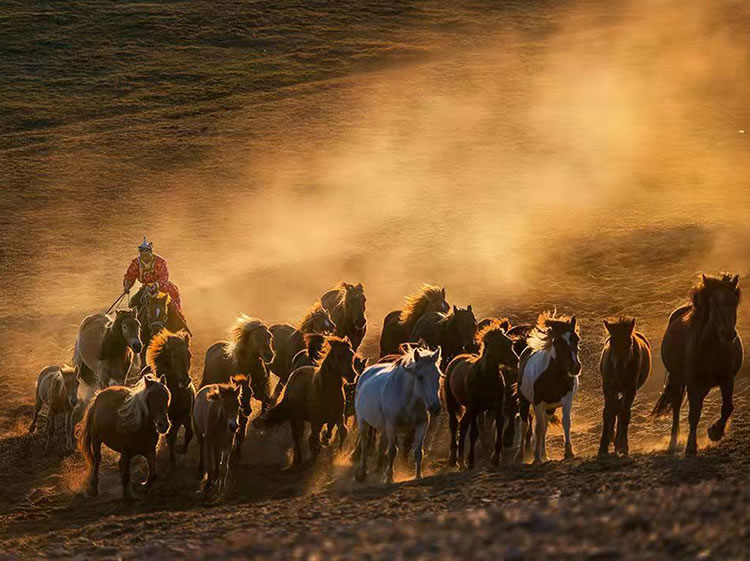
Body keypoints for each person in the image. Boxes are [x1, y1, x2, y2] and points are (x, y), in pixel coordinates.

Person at [123, 237, 183, 312]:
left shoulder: (160, 261)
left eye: (147, 253)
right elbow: (130, 275)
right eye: (143, 253)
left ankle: (178, 316)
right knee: (133, 303)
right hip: (145, 288)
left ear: (151, 252)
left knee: (173, 298)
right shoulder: (136, 262)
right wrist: (127, 285)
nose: (145, 256)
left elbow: (164, 276)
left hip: (161, 286)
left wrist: (156, 286)